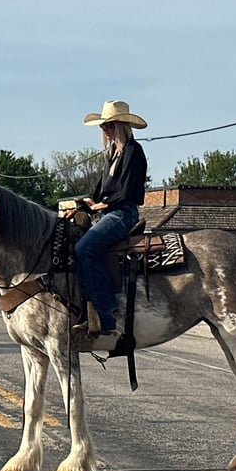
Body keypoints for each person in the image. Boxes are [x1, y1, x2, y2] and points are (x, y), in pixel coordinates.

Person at [73, 100, 148, 337]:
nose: (105, 130)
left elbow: (127, 192)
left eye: (109, 125)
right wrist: (81, 204)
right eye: (103, 126)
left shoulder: (134, 152)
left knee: (84, 249)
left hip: (123, 214)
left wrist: (101, 205)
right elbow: (99, 191)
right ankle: (83, 309)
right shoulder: (112, 154)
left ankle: (106, 316)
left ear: (121, 126)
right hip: (108, 212)